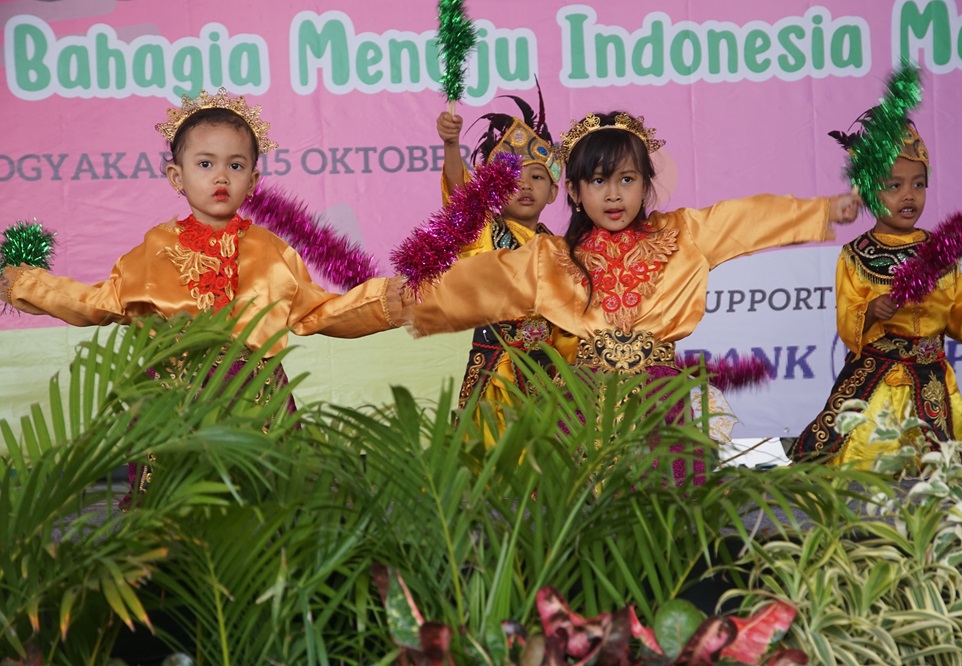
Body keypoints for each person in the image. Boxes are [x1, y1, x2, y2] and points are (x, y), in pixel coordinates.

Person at [1, 88, 405, 504]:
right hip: (176, 401)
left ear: (253, 180)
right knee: (178, 507)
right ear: (177, 176)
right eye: (205, 163)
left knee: (264, 506)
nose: (221, 177)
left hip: (255, 397)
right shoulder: (155, 249)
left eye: (235, 165)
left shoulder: (270, 251)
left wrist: (389, 300)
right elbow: (100, 302)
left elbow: (318, 312)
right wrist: (23, 284)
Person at [410, 111, 862, 482]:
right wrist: (398, 307)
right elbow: (456, 283)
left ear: (646, 184)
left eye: (627, 180)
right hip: (567, 394)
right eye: (600, 180)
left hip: (654, 397)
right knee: (568, 508)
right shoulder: (550, 254)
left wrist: (820, 211)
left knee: (667, 515)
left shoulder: (679, 234)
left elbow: (744, 219)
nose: (613, 194)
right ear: (574, 190)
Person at [791, 118, 962, 468]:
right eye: (894, 185)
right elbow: (847, 316)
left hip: (932, 380)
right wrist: (871, 311)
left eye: (918, 184)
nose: (909, 195)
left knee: (939, 473)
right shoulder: (856, 254)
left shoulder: (941, 251)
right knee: (863, 466)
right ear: (871, 191)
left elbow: (955, 310)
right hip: (876, 381)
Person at [435, 92, 576, 440]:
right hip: (497, 373)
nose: (525, 186)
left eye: (538, 177)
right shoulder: (483, 233)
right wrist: (452, 145)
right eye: (513, 178)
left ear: (555, 191)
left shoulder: (561, 249)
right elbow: (459, 195)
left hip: (549, 375)